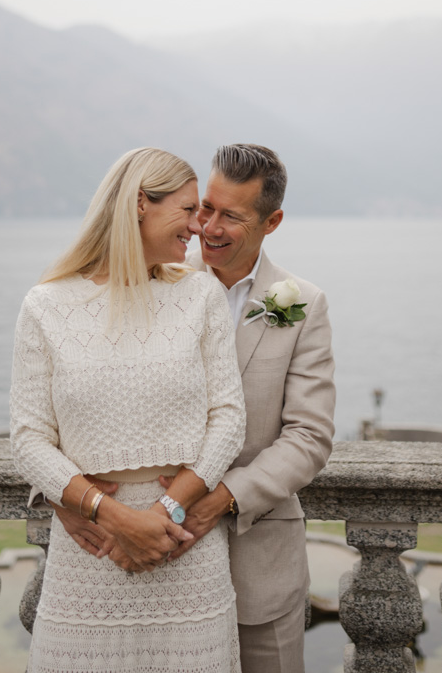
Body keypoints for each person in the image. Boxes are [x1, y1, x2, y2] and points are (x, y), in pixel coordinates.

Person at [55, 144, 335, 673]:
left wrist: (214, 500)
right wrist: (59, 495)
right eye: (205, 207)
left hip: (260, 564)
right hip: (149, 566)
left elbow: (309, 437)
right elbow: (78, 394)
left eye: (231, 216)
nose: (207, 227)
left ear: (271, 221)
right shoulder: (152, 278)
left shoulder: (304, 305)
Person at [10, 147, 246, 673]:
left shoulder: (200, 294)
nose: (198, 226)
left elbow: (228, 419)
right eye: (187, 210)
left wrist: (164, 516)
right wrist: (111, 516)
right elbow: (28, 438)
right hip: (92, 552)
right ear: (141, 202)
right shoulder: (45, 305)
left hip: (185, 551)